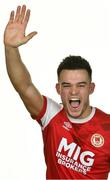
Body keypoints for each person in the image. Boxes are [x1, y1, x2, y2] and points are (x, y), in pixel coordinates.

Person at [4, 5, 110, 180]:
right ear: (58, 89)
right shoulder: (52, 116)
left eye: (81, 85)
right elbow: (24, 86)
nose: (73, 91)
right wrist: (10, 49)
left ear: (91, 88)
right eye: (67, 85)